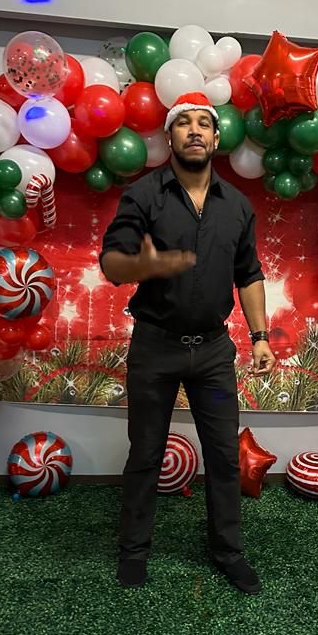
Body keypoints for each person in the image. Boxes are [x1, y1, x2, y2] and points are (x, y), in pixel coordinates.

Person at [100, 91, 276, 593]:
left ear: (216, 139)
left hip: (215, 353)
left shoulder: (236, 205)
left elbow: (249, 273)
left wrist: (260, 337)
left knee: (223, 456)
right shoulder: (143, 195)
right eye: (184, 123)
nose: (194, 130)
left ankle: (228, 551)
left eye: (204, 123)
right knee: (145, 454)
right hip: (155, 348)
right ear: (170, 136)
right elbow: (112, 263)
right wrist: (141, 265)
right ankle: (134, 551)